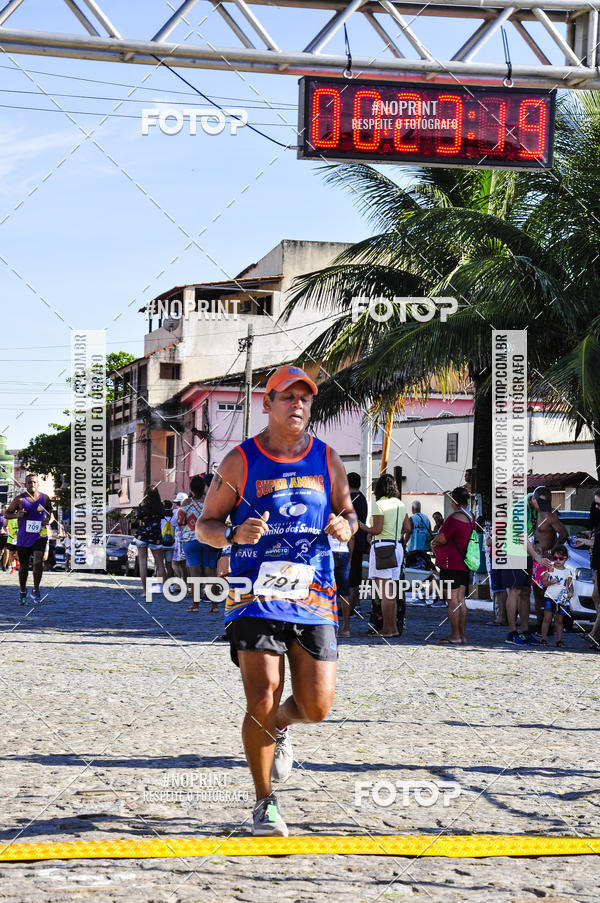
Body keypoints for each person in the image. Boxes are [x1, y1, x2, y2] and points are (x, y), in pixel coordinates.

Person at [197, 364, 356, 837]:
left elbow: (349, 512)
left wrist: (345, 525)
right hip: (253, 594)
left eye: (304, 398)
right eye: (287, 397)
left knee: (317, 706)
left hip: (313, 594)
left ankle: (281, 724)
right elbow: (205, 525)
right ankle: (264, 801)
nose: (298, 405)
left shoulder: (327, 458)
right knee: (263, 692)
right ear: (266, 404)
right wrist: (232, 535)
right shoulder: (240, 460)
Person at [492, 490, 553, 646]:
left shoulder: (534, 507)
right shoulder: (520, 509)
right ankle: (512, 633)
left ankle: (525, 632)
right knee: (514, 591)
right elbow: (522, 537)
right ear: (533, 499)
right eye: (541, 504)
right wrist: (537, 557)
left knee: (526, 592)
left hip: (524, 554)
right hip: (512, 553)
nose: (542, 508)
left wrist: (536, 546)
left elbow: (534, 531)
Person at [360, 473, 411, 638]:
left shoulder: (379, 504)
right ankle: (393, 628)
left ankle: (387, 629)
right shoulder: (400, 504)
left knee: (384, 593)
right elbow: (408, 527)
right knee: (392, 592)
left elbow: (377, 530)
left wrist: (363, 527)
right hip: (397, 547)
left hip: (382, 548)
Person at [430, 487, 474, 645]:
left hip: (450, 563)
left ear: (454, 501)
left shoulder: (454, 518)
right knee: (461, 599)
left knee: (452, 599)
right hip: (463, 562)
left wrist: (433, 542)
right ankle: (461, 635)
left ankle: (455, 635)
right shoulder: (470, 517)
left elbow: (442, 538)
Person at [5, 473, 52, 604]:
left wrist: (48, 520)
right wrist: (17, 515)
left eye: (34, 482)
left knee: (38, 561)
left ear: (38, 484)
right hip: (24, 537)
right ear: (25, 484)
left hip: (40, 535)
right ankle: (22, 591)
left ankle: (36, 589)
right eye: (30, 482)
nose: (32, 484)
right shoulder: (19, 499)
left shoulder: (45, 498)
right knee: (24, 566)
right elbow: (7, 514)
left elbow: (51, 513)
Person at [178, 475, 220, 613]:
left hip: (191, 541)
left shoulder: (186, 503)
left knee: (195, 574)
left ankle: (195, 605)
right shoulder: (210, 502)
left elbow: (180, 521)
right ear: (204, 488)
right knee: (211, 573)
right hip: (208, 539)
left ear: (191, 489)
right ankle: (214, 606)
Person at [530, 486, 569, 632]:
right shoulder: (536, 514)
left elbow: (564, 534)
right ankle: (540, 625)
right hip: (537, 558)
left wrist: (552, 552)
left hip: (546, 560)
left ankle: (547, 627)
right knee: (537, 594)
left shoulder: (550, 516)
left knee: (546, 594)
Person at [573, 489, 600, 650]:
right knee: (596, 597)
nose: (596, 507)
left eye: (599, 504)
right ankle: (595, 634)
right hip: (596, 564)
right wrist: (589, 536)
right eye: (595, 504)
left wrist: (587, 542)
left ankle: (594, 634)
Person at [343, 472, 368, 637]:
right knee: (356, 579)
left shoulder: (348, 499)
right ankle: (355, 605)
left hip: (347, 542)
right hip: (360, 541)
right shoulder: (363, 499)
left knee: (348, 580)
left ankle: (348, 610)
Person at [539, 545, 575, 647]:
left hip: (561, 599)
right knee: (547, 619)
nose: (558, 561)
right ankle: (543, 639)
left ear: (566, 558)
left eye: (561, 558)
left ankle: (559, 641)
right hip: (549, 597)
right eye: (555, 558)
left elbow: (570, 585)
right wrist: (549, 582)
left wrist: (571, 592)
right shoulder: (550, 569)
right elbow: (543, 582)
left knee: (559, 621)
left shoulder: (568, 572)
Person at [134, 486, 166, 598]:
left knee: (142, 563)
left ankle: (145, 591)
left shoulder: (142, 506)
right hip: (155, 536)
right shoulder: (160, 506)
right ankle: (165, 590)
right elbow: (163, 515)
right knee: (160, 564)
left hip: (142, 535)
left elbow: (138, 516)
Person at [406, 501, 432, 569]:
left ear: (412, 508)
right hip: (424, 548)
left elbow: (408, 532)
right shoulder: (426, 518)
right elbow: (429, 532)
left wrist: (404, 543)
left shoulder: (412, 518)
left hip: (413, 548)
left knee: (413, 569)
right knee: (423, 568)